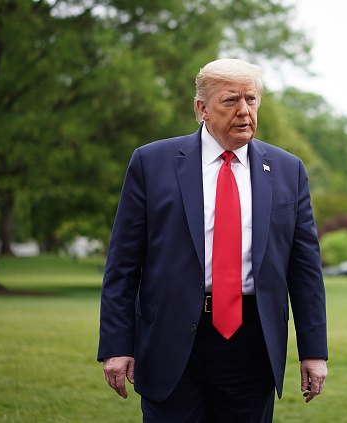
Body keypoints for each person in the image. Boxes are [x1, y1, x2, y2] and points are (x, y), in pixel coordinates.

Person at [98, 58, 328, 422]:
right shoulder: (150, 162)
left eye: (251, 100)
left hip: (252, 342)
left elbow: (305, 270)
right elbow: (122, 265)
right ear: (201, 108)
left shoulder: (288, 169)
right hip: (170, 340)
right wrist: (115, 345)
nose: (244, 111)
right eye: (230, 100)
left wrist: (314, 352)